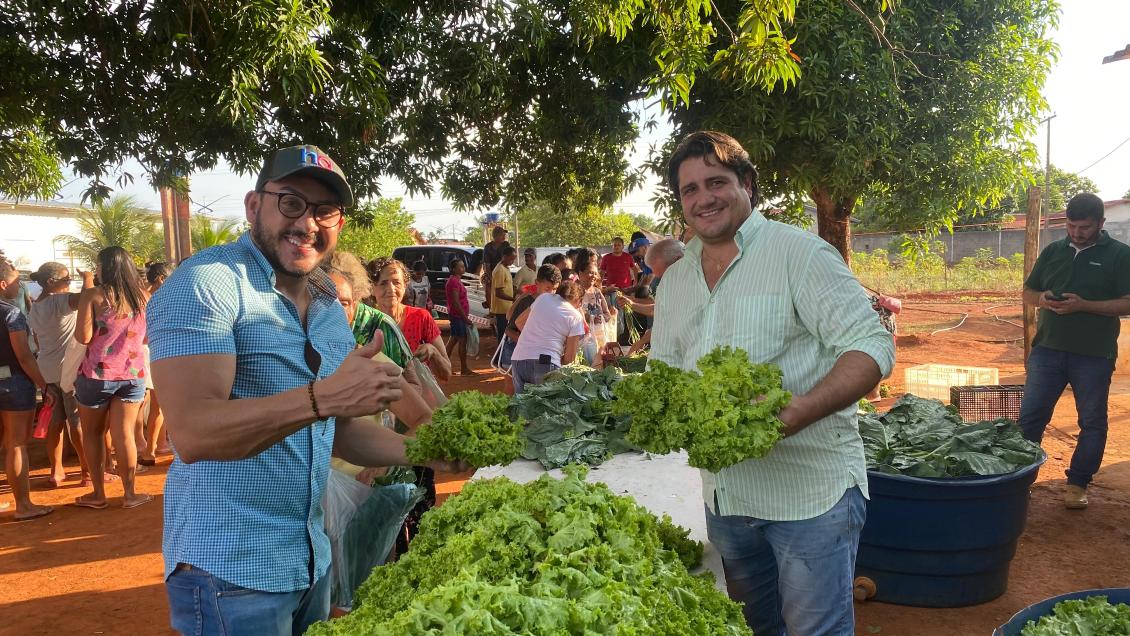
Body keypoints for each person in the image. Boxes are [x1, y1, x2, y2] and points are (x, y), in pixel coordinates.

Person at [147, 144, 466, 635]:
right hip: (231, 571)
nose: (308, 223)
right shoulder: (207, 284)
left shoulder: (321, 298)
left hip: (310, 557)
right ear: (255, 206)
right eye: (291, 202)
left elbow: (335, 433)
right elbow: (192, 433)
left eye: (325, 211)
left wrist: (429, 451)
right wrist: (322, 398)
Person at [651, 131, 895, 635]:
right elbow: (665, 377)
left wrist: (798, 410)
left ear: (747, 185)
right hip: (727, 498)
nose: (704, 198)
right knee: (753, 628)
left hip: (810, 497)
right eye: (689, 189)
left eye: (716, 182)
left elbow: (871, 347)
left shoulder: (800, 255)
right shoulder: (675, 281)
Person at [1019, 192, 1130, 510]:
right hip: (1047, 351)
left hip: (1094, 354)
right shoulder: (1053, 251)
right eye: (1071, 225)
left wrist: (1084, 306)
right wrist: (1043, 300)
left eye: (1084, 227)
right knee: (1030, 420)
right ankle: (1021, 482)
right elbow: (1028, 292)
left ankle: (1078, 484)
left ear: (1100, 223)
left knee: (1092, 422)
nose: (1076, 233)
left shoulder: (1120, 255)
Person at [71, 246, 151, 511]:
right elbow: (147, 338)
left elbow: (82, 338)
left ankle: (98, 494)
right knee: (125, 435)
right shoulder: (144, 297)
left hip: (96, 375)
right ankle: (130, 494)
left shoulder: (94, 295)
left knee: (93, 435)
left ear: (105, 267)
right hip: (133, 375)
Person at [28, 262, 93, 487]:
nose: (69, 285)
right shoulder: (59, 302)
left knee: (55, 422)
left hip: (46, 370)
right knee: (76, 421)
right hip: (69, 369)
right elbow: (87, 299)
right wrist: (87, 278)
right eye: (67, 281)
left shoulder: (35, 307)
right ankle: (86, 471)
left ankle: (56, 471)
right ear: (51, 283)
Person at [0, 258, 53, 521]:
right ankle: (23, 505)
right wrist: (44, 385)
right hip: (14, 384)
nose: (19, 285)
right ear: (2, 284)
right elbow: (24, 356)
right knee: (17, 444)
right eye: (15, 281)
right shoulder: (11, 313)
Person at [370, 257, 452, 381]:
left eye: (396, 282)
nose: (391, 289)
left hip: (419, 396)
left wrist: (433, 351)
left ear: (405, 286)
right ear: (372, 289)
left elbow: (447, 373)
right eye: (383, 283)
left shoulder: (421, 317)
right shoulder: (365, 323)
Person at [510, 279, 586, 393]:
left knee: (522, 406)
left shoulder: (543, 298)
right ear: (579, 301)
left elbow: (519, 322)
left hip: (519, 358)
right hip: (546, 362)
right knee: (545, 408)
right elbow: (569, 359)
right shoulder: (575, 316)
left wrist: (537, 336)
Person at [138, 262, 174, 463]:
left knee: (152, 405)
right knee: (156, 405)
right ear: (161, 279)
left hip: (148, 353)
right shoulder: (150, 298)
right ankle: (149, 449)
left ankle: (154, 446)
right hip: (149, 353)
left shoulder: (145, 296)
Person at [505, 264, 562, 345]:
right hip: (520, 350)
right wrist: (529, 344)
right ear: (536, 283)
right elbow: (509, 330)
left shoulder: (556, 304)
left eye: (554, 289)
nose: (551, 293)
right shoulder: (526, 302)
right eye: (547, 289)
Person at [444, 258, 474, 376]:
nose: (463, 268)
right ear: (453, 269)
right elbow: (456, 302)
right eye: (460, 266)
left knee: (454, 339)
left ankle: (445, 366)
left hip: (458, 315)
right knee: (461, 340)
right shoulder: (454, 282)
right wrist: (464, 317)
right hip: (457, 316)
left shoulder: (456, 280)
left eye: (463, 266)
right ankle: (464, 368)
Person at [490, 246, 517, 342]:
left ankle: (501, 355)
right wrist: (513, 299)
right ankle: (499, 356)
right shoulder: (500, 270)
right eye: (511, 258)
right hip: (501, 310)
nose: (512, 261)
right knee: (502, 335)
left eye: (514, 259)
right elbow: (499, 293)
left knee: (505, 335)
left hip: (506, 308)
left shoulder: (505, 268)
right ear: (505, 256)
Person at [481, 226, 510, 309]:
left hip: (503, 271)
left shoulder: (506, 245)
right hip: (491, 272)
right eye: (502, 235)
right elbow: (487, 265)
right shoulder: (488, 247)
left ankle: (505, 307)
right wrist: (491, 278)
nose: (504, 237)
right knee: (488, 286)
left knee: (505, 288)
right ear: (496, 236)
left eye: (504, 235)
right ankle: (491, 308)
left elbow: (509, 258)